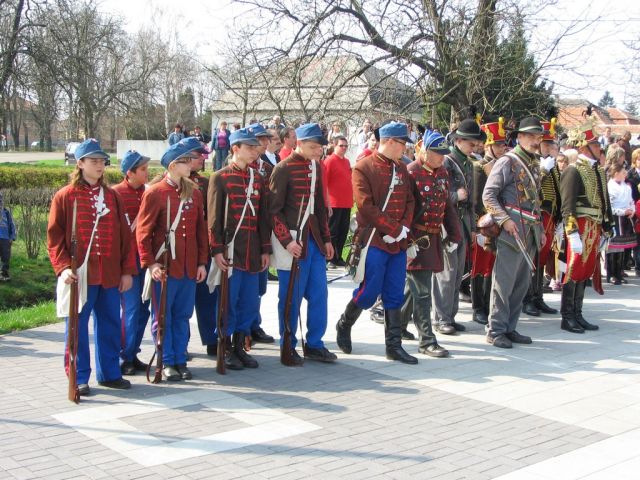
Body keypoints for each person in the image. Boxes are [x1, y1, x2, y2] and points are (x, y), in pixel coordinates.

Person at [47, 138, 136, 396]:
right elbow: (54, 238)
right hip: (80, 274)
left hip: (108, 273)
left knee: (110, 324)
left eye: (102, 161)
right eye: (94, 160)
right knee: (76, 328)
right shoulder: (65, 196)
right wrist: (64, 267)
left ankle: (109, 373)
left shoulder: (112, 196)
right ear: (80, 163)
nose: (99, 165)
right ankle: (78, 377)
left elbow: (125, 237)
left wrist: (126, 271)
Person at [335, 122, 417, 364]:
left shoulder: (401, 168)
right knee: (369, 291)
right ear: (389, 141)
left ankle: (393, 346)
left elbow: (410, 200)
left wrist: (403, 228)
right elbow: (365, 206)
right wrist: (392, 229)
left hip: (398, 241)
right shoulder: (363, 167)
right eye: (402, 143)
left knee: (394, 292)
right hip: (374, 240)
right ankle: (344, 323)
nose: (405, 148)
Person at [136, 137, 208, 381]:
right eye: (186, 161)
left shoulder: (194, 193)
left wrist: (201, 262)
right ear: (173, 165)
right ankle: (166, 360)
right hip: (166, 266)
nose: (191, 164)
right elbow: (143, 232)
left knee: (183, 315)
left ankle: (179, 359)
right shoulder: (155, 193)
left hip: (188, 266)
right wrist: (150, 263)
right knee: (163, 316)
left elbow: (200, 231)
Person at [270, 123, 336, 364]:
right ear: (299, 143)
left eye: (320, 147)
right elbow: (273, 211)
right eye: (314, 147)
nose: (319, 151)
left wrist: (326, 239)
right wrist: (287, 242)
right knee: (291, 297)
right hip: (293, 242)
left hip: (314, 241)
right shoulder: (282, 169)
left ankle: (315, 344)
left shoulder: (316, 166)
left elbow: (319, 208)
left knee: (319, 294)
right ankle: (287, 344)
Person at [208, 128, 272, 370]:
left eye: (256, 147)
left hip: (252, 251)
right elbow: (214, 219)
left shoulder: (258, 178)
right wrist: (217, 250)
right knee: (228, 301)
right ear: (235, 148)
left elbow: (263, 217)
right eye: (249, 147)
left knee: (248, 302)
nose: (255, 151)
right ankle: (225, 347)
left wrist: (265, 249)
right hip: (231, 249)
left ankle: (239, 346)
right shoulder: (220, 177)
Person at [483, 117, 545, 348]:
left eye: (538, 136)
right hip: (511, 231)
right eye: (531, 136)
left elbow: (536, 202)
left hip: (530, 230)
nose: (536, 140)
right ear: (519, 137)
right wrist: (505, 220)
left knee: (521, 284)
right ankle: (496, 329)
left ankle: (510, 327)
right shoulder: (507, 162)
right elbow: (489, 195)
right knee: (504, 283)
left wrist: (540, 229)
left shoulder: (533, 163)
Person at [400, 130, 461, 358]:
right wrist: (407, 241)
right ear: (424, 151)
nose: (442, 157)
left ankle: (396, 327)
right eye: (437, 153)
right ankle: (426, 340)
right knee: (423, 292)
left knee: (413, 288)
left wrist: (454, 235)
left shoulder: (442, 172)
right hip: (415, 240)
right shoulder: (411, 172)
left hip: (433, 239)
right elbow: (404, 210)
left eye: (444, 153)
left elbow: (447, 207)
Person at [559, 113, 614, 333]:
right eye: (595, 144)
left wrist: (607, 226)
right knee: (573, 269)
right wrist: (571, 231)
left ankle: (578, 313)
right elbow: (567, 205)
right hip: (580, 225)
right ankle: (567, 316)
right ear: (584, 147)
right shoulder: (573, 170)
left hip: (594, 225)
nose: (599, 148)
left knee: (586, 270)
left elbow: (603, 200)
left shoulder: (597, 170)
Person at [433, 119, 485, 335]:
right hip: (447, 224)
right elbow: (437, 194)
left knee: (457, 274)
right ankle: (441, 319)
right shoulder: (446, 162)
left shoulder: (468, 164)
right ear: (459, 141)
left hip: (463, 224)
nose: (474, 147)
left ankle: (450, 317)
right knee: (446, 274)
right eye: (471, 143)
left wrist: (472, 228)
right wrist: (456, 195)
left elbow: (471, 201)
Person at [112, 150, 152, 375]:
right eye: (143, 169)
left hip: (146, 260)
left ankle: (133, 352)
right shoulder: (116, 194)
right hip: (127, 261)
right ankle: (123, 356)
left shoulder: (148, 192)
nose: (147, 173)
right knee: (131, 309)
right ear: (130, 172)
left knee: (144, 309)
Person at [522, 118, 560, 317]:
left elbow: (557, 190)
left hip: (549, 215)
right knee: (533, 258)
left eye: (551, 144)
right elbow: (531, 189)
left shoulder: (550, 163)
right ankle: (527, 298)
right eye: (547, 143)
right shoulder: (534, 162)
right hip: (536, 215)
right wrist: (544, 170)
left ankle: (538, 297)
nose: (550, 147)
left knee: (542, 258)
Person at [470, 118, 506, 325]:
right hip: (485, 224)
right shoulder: (479, 166)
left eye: (503, 145)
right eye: (498, 145)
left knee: (493, 266)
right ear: (489, 145)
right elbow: (476, 200)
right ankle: (478, 307)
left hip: (499, 223)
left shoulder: (503, 165)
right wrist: (478, 228)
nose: (502, 148)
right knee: (480, 266)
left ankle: (490, 304)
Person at [245, 123, 276, 345]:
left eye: (266, 139)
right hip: (243, 233)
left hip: (262, 231)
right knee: (243, 287)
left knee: (259, 286)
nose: (264, 143)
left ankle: (254, 324)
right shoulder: (236, 168)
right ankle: (243, 329)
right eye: (259, 139)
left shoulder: (267, 168)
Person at [188, 147, 219, 357]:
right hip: (178, 251)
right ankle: (178, 345)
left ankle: (211, 339)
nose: (202, 158)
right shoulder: (162, 184)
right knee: (179, 305)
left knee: (207, 297)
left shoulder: (205, 183)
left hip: (203, 248)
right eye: (198, 155)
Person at [323, 135, 353, 267]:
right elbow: (324, 183)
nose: (344, 148)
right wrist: (327, 203)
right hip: (334, 203)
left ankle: (338, 256)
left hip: (346, 202)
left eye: (346, 146)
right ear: (334, 146)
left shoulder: (346, 161)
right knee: (332, 231)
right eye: (341, 146)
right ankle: (329, 258)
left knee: (343, 230)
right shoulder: (329, 161)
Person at [606, 163, 636, 284]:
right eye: (623, 173)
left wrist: (632, 210)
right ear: (616, 173)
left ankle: (619, 273)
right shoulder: (610, 187)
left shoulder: (626, 187)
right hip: (615, 219)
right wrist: (623, 211)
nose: (625, 174)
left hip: (625, 219)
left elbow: (631, 201)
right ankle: (611, 274)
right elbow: (610, 206)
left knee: (621, 248)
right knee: (612, 247)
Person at [0, 191, 17, 281]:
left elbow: (11, 225)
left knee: (5, 257)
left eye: (1, 200)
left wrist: (12, 237)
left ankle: (4, 274)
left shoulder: (6, 212)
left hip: (5, 239)